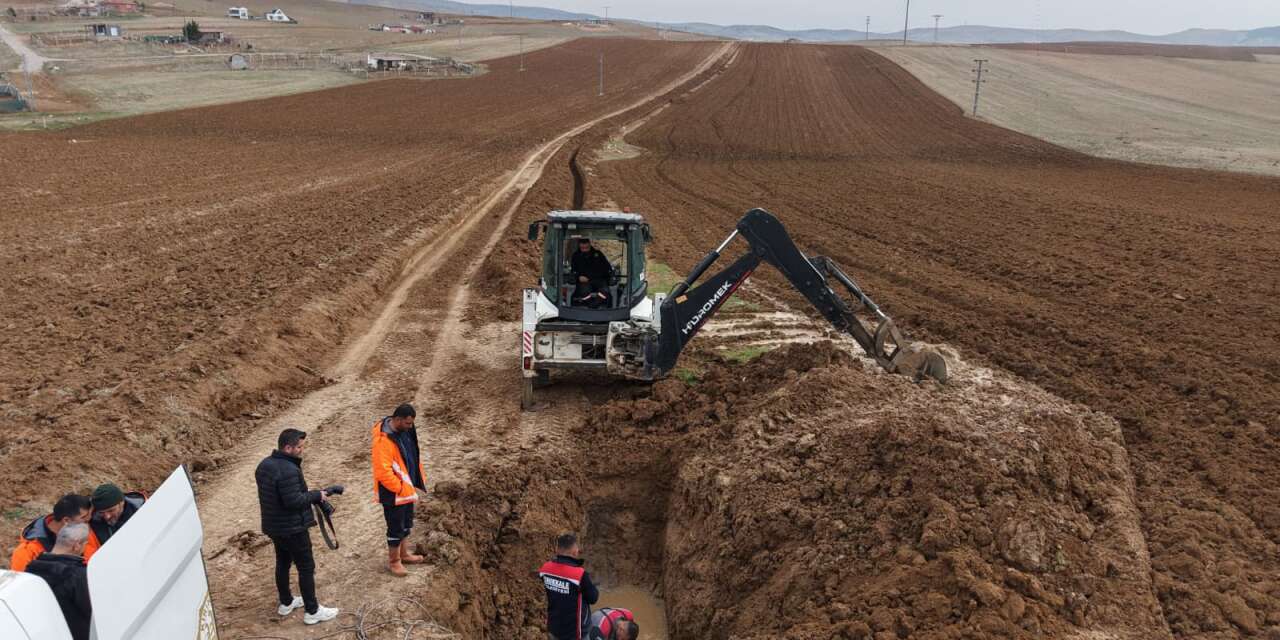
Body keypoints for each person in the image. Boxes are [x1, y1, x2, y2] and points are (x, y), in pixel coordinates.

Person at [255, 428, 339, 625]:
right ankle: (312, 611)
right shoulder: (288, 470)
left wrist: (307, 493)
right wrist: (317, 495)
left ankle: (286, 602)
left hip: (274, 526)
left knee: (282, 562)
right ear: (287, 447)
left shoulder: (264, 465)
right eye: (299, 447)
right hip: (292, 528)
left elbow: (280, 495)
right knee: (306, 567)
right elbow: (293, 501)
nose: (302, 450)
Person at [371, 403, 427, 577]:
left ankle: (404, 554)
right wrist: (400, 488)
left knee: (406, 524)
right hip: (393, 493)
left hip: (405, 488)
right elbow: (383, 471)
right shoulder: (383, 440)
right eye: (408, 423)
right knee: (395, 528)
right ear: (397, 420)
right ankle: (394, 562)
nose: (411, 427)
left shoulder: (404, 431)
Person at [25, 523, 92, 640]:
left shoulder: (31, 567)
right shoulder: (78, 575)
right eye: (86, 544)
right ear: (77, 545)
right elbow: (91, 611)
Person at [9, 494, 92, 572]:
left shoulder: (82, 530)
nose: (88, 519)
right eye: (83, 517)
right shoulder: (28, 552)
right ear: (66, 520)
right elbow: (24, 584)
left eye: (88, 514)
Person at [539, 532, 598, 640]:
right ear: (575, 551)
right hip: (575, 633)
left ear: (557, 549)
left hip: (553, 627)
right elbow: (593, 598)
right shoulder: (580, 574)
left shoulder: (545, 569)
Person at [84, 483, 146, 561]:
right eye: (101, 512)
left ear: (122, 503)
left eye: (111, 510)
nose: (107, 516)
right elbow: (91, 559)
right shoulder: (90, 524)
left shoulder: (144, 511)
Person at [570, 238, 614, 308]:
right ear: (579, 246)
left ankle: (594, 306)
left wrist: (606, 276)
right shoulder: (576, 256)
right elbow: (573, 270)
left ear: (589, 245)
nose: (584, 250)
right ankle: (591, 306)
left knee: (605, 291)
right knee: (584, 292)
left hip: (599, 279)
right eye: (582, 248)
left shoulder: (598, 254)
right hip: (584, 281)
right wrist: (578, 277)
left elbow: (607, 268)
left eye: (586, 248)